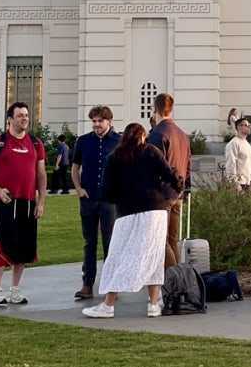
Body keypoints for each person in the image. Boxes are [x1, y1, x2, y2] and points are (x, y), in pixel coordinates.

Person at [82, 122, 184, 319]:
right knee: (154, 256)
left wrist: (120, 198)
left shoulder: (114, 158)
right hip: (154, 210)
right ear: (143, 136)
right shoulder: (151, 152)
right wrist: (178, 187)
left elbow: (106, 190)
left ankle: (108, 304)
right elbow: (169, 174)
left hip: (127, 212)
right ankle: (153, 304)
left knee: (118, 256)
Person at [0, 102, 47, 306]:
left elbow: (41, 174)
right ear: (10, 119)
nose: (25, 118)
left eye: (26, 115)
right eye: (20, 115)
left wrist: (41, 202)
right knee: (2, 244)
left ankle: (14, 289)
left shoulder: (36, 143)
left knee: (24, 246)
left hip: (28, 202)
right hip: (5, 201)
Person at [71, 105, 120, 299]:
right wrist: (78, 188)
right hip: (88, 198)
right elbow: (75, 167)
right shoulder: (83, 141)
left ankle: (111, 286)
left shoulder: (118, 141)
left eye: (100, 121)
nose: (97, 124)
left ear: (109, 121)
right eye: (94, 121)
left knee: (110, 242)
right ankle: (87, 284)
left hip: (110, 200)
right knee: (89, 242)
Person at [147, 93, 192, 270]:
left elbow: (155, 166)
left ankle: (173, 276)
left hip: (162, 194)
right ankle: (177, 275)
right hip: (177, 193)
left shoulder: (157, 134)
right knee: (172, 239)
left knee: (161, 240)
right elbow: (188, 166)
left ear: (154, 109)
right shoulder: (182, 135)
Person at [224, 117, 251, 191]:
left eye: (249, 125)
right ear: (238, 127)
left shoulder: (247, 144)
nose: (249, 127)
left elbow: (248, 163)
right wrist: (234, 182)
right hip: (238, 184)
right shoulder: (234, 143)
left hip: (247, 182)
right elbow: (231, 163)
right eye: (246, 125)